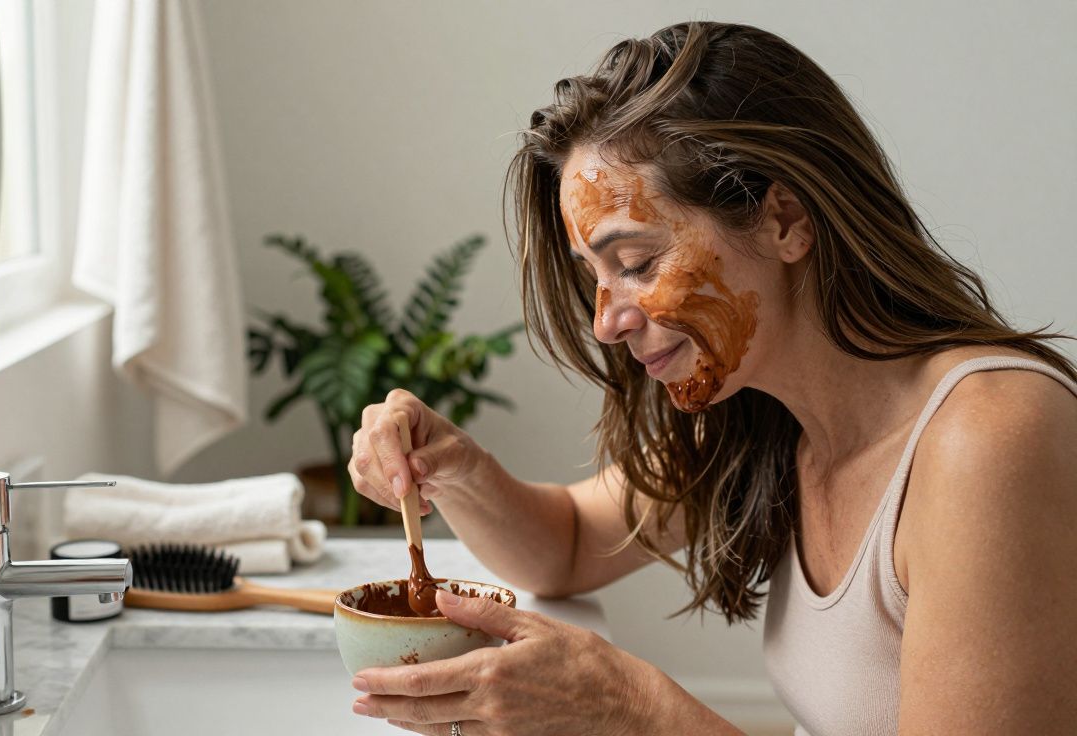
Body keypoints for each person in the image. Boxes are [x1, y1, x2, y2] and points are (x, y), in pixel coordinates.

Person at [344, 20, 1077, 736]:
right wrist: (455, 468)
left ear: (784, 219)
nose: (606, 322)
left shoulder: (987, 437)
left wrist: (632, 709)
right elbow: (566, 546)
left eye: (635, 264)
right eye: (593, 276)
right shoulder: (771, 411)